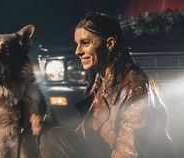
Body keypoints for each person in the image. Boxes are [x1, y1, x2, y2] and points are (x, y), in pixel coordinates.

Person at [39, 12, 175, 158]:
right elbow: (85, 135)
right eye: (77, 44)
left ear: (110, 44)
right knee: (53, 138)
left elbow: (129, 152)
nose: (78, 51)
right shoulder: (99, 79)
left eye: (85, 43)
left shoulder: (136, 90)